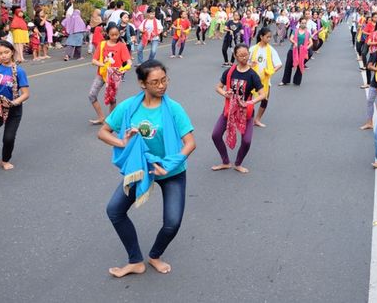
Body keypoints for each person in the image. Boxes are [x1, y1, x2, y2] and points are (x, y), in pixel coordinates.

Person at [98, 60, 196, 277]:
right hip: (141, 168)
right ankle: (135, 261)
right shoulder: (128, 107)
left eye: (164, 80)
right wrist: (123, 143)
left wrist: (168, 165)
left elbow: (190, 143)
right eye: (155, 82)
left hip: (171, 171)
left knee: (172, 222)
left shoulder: (174, 109)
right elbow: (103, 132)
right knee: (114, 210)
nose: (161, 86)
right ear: (142, 84)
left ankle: (154, 255)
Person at [210, 44, 266, 173]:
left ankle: (238, 163)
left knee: (246, 141)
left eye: (246, 55)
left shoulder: (253, 75)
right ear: (235, 56)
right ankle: (225, 162)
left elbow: (263, 94)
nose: (244, 58)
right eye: (240, 55)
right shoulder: (229, 72)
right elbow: (218, 87)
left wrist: (250, 102)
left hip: (246, 112)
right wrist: (225, 93)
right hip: (230, 110)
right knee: (216, 135)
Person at [0, 41, 30, 171]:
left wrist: (14, 103)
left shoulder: (19, 71)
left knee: (8, 138)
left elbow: (25, 94)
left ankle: (5, 160)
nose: (4, 56)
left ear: (12, 51)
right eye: (0, 53)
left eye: (6, 52)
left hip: (13, 109)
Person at [89, 24, 132, 125]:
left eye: (116, 35)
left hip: (114, 76)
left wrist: (124, 69)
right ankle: (101, 117)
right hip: (102, 74)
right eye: (112, 35)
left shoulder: (121, 46)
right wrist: (104, 65)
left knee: (112, 98)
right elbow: (94, 61)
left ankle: (111, 121)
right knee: (91, 95)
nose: (114, 37)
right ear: (107, 34)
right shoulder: (102, 44)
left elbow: (128, 61)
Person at [249, 28, 283, 128]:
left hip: (265, 80)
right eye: (267, 37)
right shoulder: (252, 49)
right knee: (249, 99)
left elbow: (279, 64)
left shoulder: (271, 50)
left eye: (270, 37)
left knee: (264, 100)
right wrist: (250, 64)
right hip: (251, 79)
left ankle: (257, 119)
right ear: (261, 37)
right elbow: (244, 61)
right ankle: (248, 118)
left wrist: (270, 71)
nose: (269, 39)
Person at [279, 18, 313, 86]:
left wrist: (306, 48)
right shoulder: (295, 31)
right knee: (288, 65)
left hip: (302, 51)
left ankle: (297, 81)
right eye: (302, 23)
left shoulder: (307, 33)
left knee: (300, 65)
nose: (303, 24)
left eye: (305, 23)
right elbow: (291, 38)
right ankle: (285, 81)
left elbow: (311, 42)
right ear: (299, 23)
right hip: (293, 50)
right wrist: (294, 42)